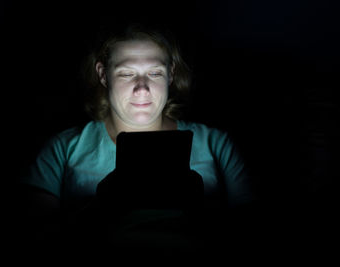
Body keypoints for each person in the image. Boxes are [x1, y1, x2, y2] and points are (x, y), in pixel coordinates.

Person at [16, 24, 255, 253]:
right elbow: (36, 237)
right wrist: (103, 208)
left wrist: (200, 211)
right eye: (127, 73)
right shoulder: (63, 149)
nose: (142, 88)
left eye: (154, 72)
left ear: (170, 74)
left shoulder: (216, 145)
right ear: (103, 74)